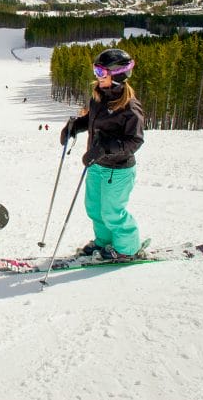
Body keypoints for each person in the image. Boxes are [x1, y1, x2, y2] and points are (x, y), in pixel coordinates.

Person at [59, 48, 145, 261]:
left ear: (116, 75)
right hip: (97, 165)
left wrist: (105, 147)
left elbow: (135, 141)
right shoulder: (98, 97)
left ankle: (127, 248)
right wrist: (75, 126)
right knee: (94, 208)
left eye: (100, 72)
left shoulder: (130, 108)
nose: (96, 76)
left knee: (113, 212)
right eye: (95, 70)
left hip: (117, 170)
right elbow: (92, 120)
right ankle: (105, 241)